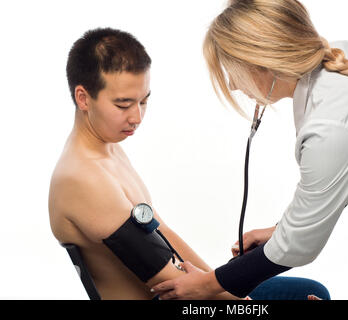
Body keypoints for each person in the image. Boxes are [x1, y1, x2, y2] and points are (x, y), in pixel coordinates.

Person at [151, 0, 348, 300]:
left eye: (233, 72)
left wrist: (208, 285)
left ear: (261, 63)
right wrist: (280, 230)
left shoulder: (330, 126)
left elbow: (298, 246)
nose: (232, 86)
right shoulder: (341, 57)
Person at [48, 27, 329, 300]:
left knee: (311, 293)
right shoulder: (82, 179)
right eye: (123, 105)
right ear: (83, 98)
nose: (136, 117)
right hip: (169, 294)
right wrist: (242, 305)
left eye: (143, 102)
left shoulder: (108, 149)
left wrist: (219, 282)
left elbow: (163, 233)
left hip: (183, 291)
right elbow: (164, 275)